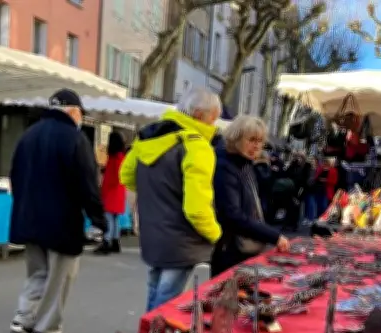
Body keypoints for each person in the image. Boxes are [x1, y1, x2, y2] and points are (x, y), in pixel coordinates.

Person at [8, 88, 107, 333]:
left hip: (29, 217)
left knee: (37, 272)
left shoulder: (28, 135)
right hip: (62, 220)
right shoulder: (74, 139)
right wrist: (98, 220)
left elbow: (15, 177)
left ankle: (24, 316)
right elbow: (87, 184)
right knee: (60, 276)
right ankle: (47, 330)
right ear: (74, 111)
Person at [120, 88, 222, 312]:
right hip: (181, 238)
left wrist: (158, 191)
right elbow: (196, 209)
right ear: (198, 115)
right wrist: (216, 235)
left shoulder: (149, 137)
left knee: (156, 287)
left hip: (153, 229)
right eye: (213, 118)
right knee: (168, 296)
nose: (214, 125)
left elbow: (126, 176)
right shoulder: (197, 146)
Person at [211, 116, 290, 276]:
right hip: (230, 250)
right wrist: (272, 235)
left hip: (242, 246)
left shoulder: (245, 164)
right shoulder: (225, 167)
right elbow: (232, 215)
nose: (257, 146)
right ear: (236, 138)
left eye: (260, 141)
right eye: (252, 140)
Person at [94, 131, 126, 255]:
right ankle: (115, 241)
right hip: (118, 192)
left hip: (111, 191)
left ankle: (107, 241)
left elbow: (115, 176)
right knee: (115, 218)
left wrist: (105, 185)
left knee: (108, 217)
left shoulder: (114, 157)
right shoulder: (121, 156)